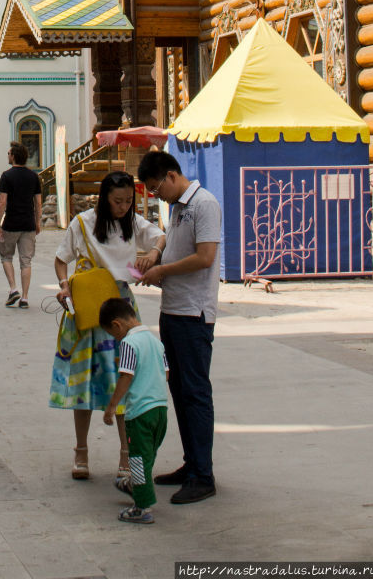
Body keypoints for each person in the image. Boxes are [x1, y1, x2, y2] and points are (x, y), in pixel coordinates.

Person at [51, 170, 165, 486]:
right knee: (84, 381)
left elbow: (159, 236)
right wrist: (64, 286)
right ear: (105, 198)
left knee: (124, 378)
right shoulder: (84, 222)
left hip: (121, 306)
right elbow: (61, 259)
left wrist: (154, 253)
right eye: (118, 201)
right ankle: (81, 451)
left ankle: (126, 455)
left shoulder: (133, 222)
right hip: (88, 306)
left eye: (129, 201)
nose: (124, 207)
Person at [137, 149, 221, 505]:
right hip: (173, 310)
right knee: (181, 393)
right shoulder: (179, 208)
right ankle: (192, 464)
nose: (157, 195)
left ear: (172, 176)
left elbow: (205, 257)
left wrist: (162, 271)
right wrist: (156, 257)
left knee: (195, 393)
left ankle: (204, 474)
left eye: (157, 188)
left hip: (193, 313)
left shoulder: (204, 204)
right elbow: (174, 246)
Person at [101, 297, 169, 525]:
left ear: (117, 325)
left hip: (140, 412)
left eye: (113, 334)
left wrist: (111, 407)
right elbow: (166, 372)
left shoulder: (129, 344)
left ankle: (142, 506)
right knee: (147, 456)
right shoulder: (154, 340)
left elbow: (126, 376)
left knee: (138, 459)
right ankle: (135, 486)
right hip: (160, 410)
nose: (115, 338)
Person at [0, 141, 41, 309]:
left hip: (11, 223)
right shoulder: (33, 176)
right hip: (28, 223)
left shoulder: (7, 176)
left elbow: (2, 202)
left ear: (13, 156)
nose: (7, 155)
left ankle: (13, 288)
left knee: (6, 256)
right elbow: (38, 202)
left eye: (9, 153)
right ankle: (25, 297)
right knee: (26, 261)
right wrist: (38, 222)